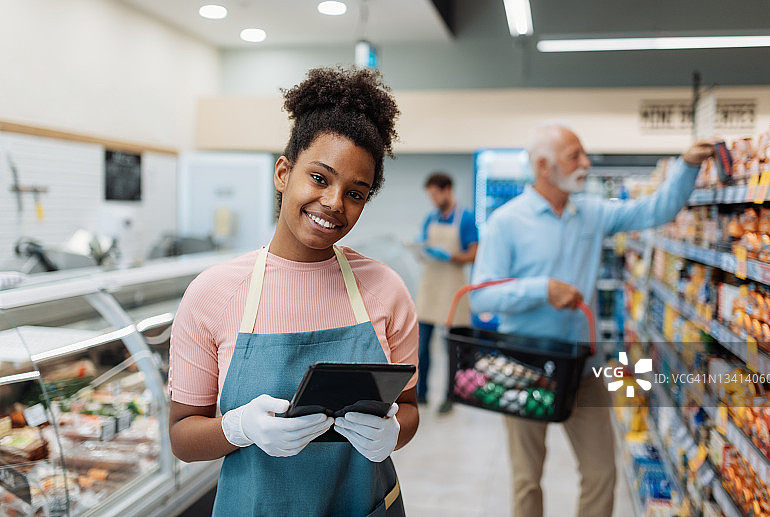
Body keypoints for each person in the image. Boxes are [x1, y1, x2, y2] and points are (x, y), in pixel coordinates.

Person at [168, 66, 418, 517]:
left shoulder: (386, 290)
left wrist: (393, 432)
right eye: (319, 178)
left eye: (356, 193)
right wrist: (239, 427)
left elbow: (409, 408)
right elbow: (183, 437)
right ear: (284, 172)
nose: (334, 204)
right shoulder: (213, 294)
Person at [470, 122, 715, 517]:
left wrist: (686, 166)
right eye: (575, 156)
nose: (586, 163)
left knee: (602, 473)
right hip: (523, 368)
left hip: (585, 369)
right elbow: (482, 295)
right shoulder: (506, 223)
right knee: (526, 480)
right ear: (544, 167)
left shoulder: (592, 213)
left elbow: (655, 209)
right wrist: (541, 290)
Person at [416, 172, 479, 413]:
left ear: (447, 190)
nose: (432, 199)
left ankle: (450, 396)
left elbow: (474, 254)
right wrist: (420, 249)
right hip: (431, 289)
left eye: (435, 194)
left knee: (451, 348)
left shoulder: (465, 218)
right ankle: (421, 394)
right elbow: (424, 245)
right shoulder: (430, 217)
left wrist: (451, 256)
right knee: (422, 348)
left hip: (453, 290)